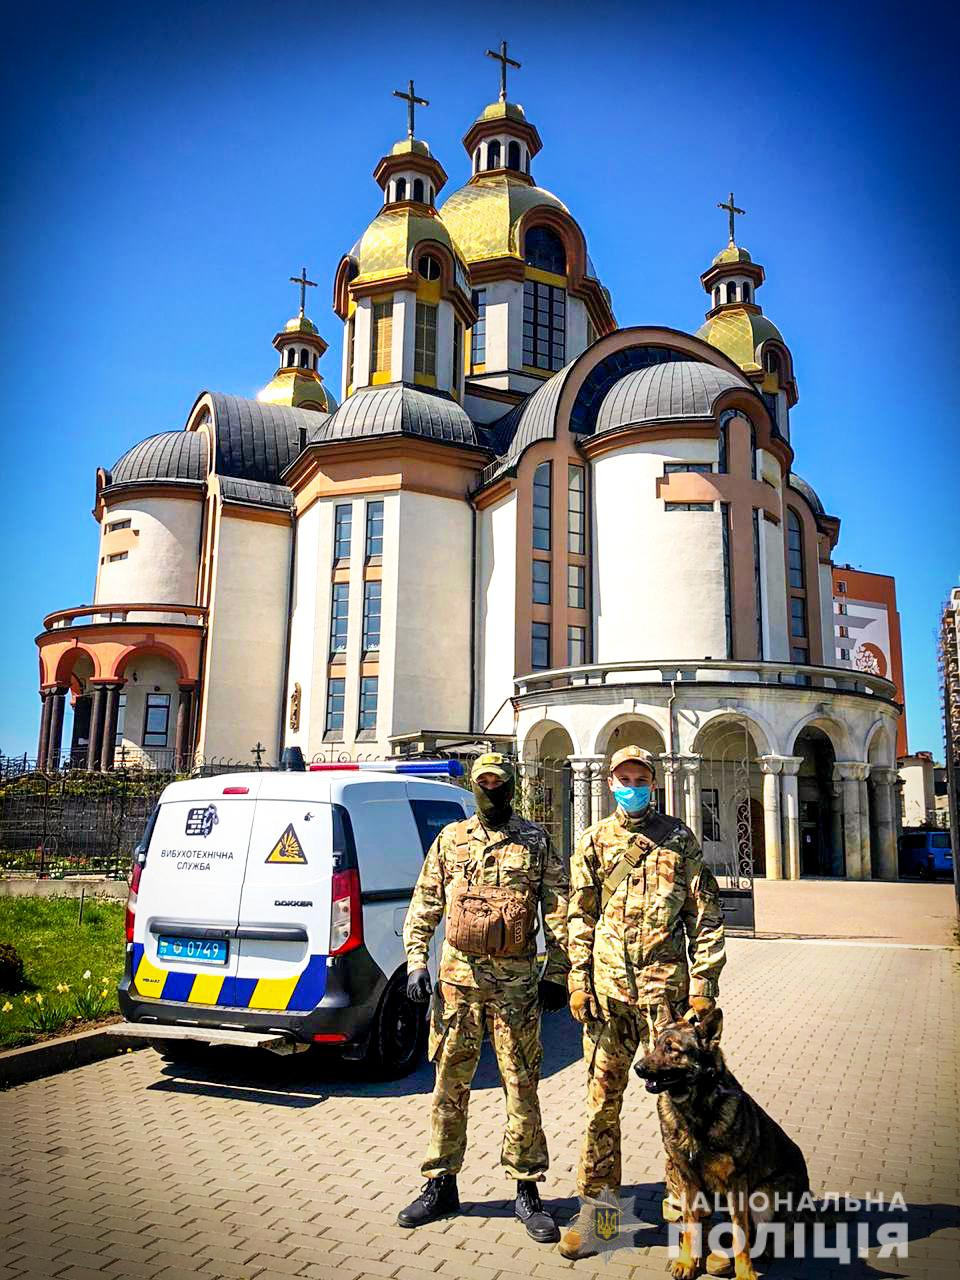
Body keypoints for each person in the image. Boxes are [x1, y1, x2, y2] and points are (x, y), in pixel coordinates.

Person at [561, 745, 726, 1258]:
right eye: (623, 779)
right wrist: (578, 979)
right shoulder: (593, 841)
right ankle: (601, 1219)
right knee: (600, 1110)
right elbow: (579, 916)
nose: (631, 787)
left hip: (666, 1004)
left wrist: (704, 985)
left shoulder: (679, 839)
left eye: (640, 779)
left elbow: (705, 915)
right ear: (610, 783)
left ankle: (689, 1222)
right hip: (609, 1000)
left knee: (684, 1116)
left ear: (652, 784)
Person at [398, 752, 569, 1243]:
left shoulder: (535, 841)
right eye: (484, 782)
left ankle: (527, 1188)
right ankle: (441, 1182)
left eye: (499, 783)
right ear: (474, 787)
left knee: (521, 1084)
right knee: (449, 1084)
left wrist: (558, 972)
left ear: (511, 786)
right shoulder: (451, 839)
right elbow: (425, 902)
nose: (491, 790)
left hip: (517, 988)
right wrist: (416, 962)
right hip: (458, 985)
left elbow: (559, 908)